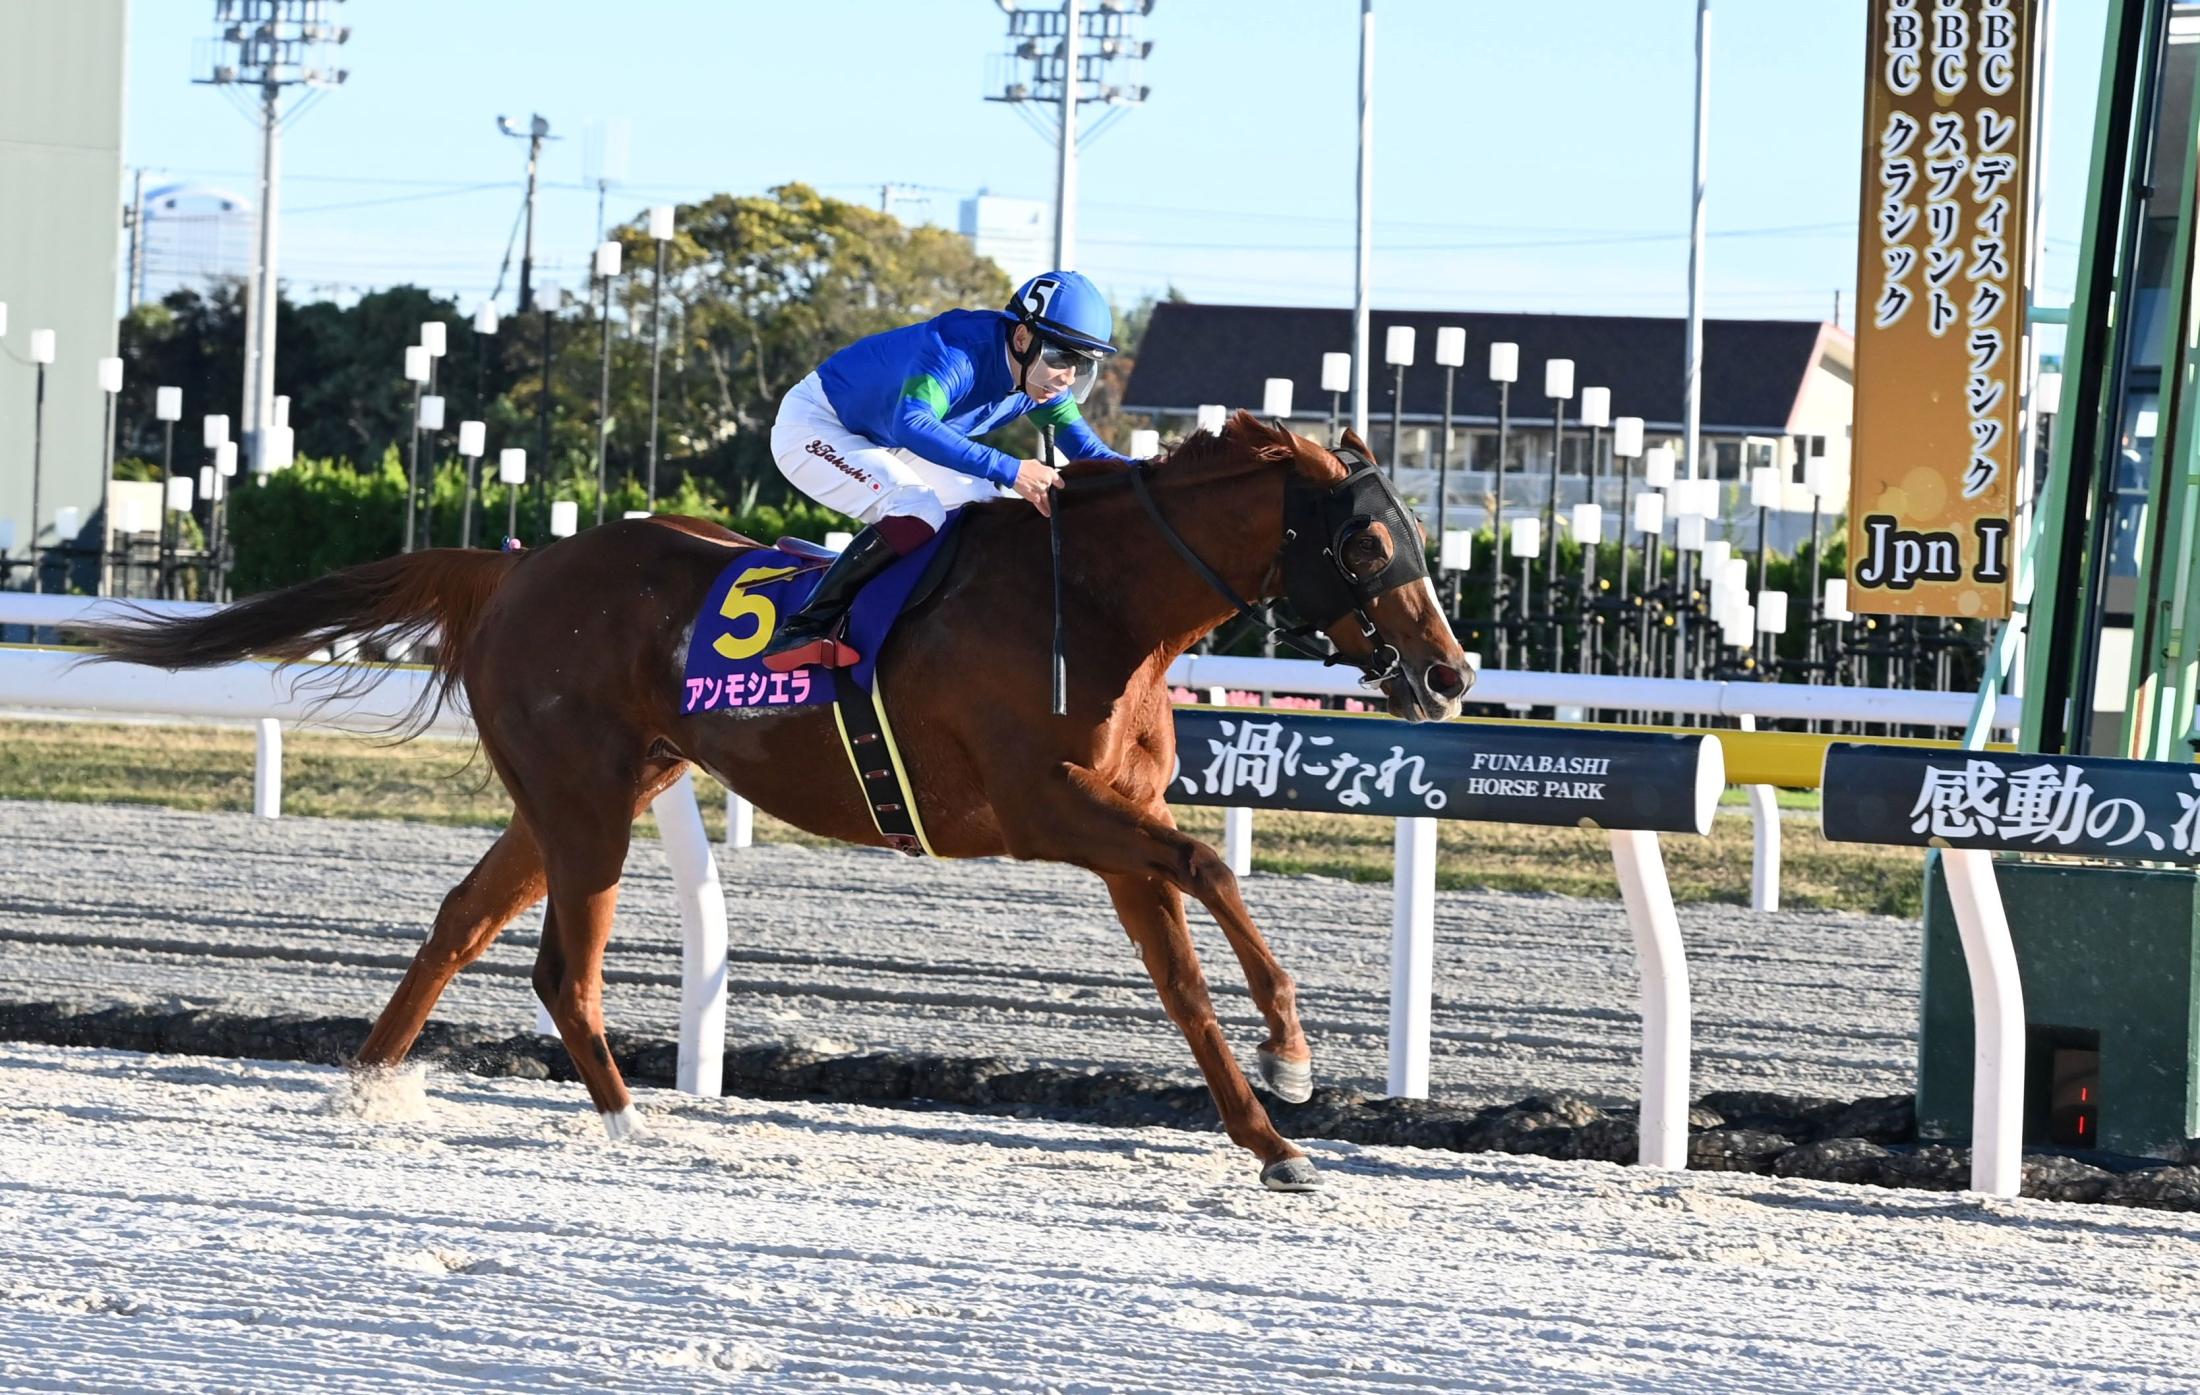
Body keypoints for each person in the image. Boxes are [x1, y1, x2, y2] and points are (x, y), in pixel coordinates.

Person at [760, 269, 1132, 671]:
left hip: (890, 439)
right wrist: (1012, 468)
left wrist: (1154, 475)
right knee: (918, 508)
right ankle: (804, 627)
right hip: (817, 424)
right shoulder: (958, 352)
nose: (1067, 377)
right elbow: (912, 422)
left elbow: (1091, 453)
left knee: (994, 508)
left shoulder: (1039, 381)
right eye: (1061, 357)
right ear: (1022, 339)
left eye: (1081, 364)